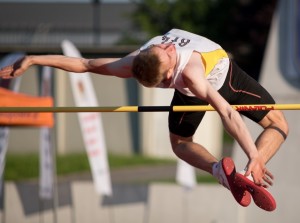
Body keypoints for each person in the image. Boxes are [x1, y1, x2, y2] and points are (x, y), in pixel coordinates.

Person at [0, 29, 288, 211]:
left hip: (224, 78)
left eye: (166, 80)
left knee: (272, 124)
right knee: (183, 142)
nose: (166, 84)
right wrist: (34, 59)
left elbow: (227, 112)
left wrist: (252, 153)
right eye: (162, 85)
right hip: (192, 89)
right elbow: (84, 64)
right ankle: (228, 173)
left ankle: (240, 173)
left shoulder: (190, 69)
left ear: (168, 58)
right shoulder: (133, 61)